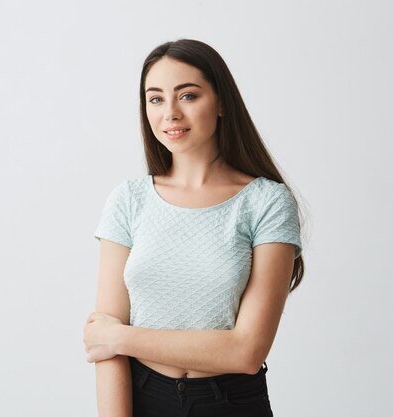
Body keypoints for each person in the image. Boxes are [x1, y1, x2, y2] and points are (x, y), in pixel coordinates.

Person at [83, 38, 306, 417]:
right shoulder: (129, 199)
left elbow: (247, 351)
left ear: (221, 103)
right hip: (140, 396)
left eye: (187, 96)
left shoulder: (267, 202)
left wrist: (121, 338)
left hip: (230, 403)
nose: (169, 113)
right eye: (155, 99)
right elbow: (106, 348)